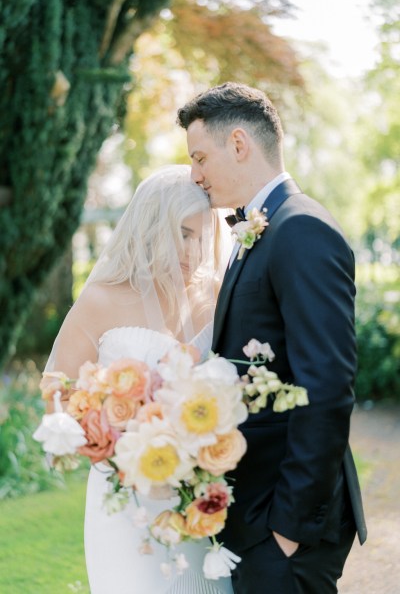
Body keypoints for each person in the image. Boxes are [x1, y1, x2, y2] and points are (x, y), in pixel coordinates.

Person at [177, 82, 367, 594]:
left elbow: (326, 385)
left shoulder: (301, 229)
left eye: (200, 157)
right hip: (256, 511)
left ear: (239, 144)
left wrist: (287, 531)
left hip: (284, 524)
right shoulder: (262, 228)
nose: (195, 175)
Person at [44, 165, 233, 594]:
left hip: (197, 495)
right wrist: (107, 435)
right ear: (151, 228)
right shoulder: (102, 299)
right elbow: (57, 391)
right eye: (183, 234)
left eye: (203, 237)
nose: (194, 251)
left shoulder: (218, 296)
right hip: (124, 499)